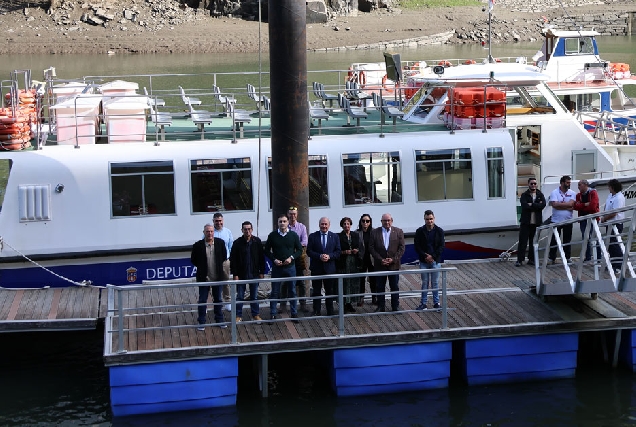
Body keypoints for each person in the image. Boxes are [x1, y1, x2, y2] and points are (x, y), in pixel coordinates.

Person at [264, 214, 303, 321]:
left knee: (292, 291)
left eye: (284, 221)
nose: (282, 223)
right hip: (277, 268)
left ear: (288, 223)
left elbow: (300, 250)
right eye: (280, 221)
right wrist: (274, 259)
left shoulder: (293, 235)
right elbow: (266, 250)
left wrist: (291, 257)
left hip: (290, 267)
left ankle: (294, 313)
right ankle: (272, 313)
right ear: (278, 223)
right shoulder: (272, 236)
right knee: (275, 291)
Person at [191, 223, 228, 331]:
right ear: (204, 232)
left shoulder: (220, 243)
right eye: (207, 231)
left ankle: (219, 320)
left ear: (214, 232)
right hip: (204, 278)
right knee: (202, 300)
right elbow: (193, 260)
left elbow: (224, 256)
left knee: (218, 299)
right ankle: (201, 321)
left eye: (211, 231)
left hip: (217, 277)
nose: (210, 233)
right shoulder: (197, 245)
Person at [368, 213, 405, 312]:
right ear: (381, 221)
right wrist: (381, 259)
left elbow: (401, 248)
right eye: (385, 221)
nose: (387, 222)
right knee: (380, 286)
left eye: (388, 220)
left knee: (394, 286)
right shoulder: (374, 232)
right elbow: (371, 248)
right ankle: (381, 306)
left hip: (394, 265)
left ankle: (395, 306)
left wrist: (393, 259)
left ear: (392, 221)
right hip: (380, 265)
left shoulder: (398, 231)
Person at [229, 221, 265, 323]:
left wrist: (262, 271)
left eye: (249, 229)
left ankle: (255, 314)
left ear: (252, 230)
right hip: (241, 274)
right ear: (242, 230)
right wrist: (235, 274)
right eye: (245, 229)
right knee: (240, 296)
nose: (247, 231)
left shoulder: (257, 241)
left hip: (254, 273)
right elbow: (233, 260)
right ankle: (238, 315)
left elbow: (261, 258)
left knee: (254, 296)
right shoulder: (237, 243)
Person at [306, 217, 341, 316]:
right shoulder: (313, 236)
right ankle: (316, 310)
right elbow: (309, 251)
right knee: (316, 291)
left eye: (326, 224)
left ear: (329, 225)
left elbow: (338, 252)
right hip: (317, 268)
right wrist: (319, 256)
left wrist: (329, 256)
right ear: (319, 225)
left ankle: (330, 310)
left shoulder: (334, 236)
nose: (324, 226)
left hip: (329, 268)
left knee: (330, 291)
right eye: (322, 224)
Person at [414, 210, 445, 310]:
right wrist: (425, 256)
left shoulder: (439, 231)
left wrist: (433, 256)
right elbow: (417, 246)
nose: (429, 221)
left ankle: (436, 303)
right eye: (427, 219)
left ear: (434, 219)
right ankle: (423, 303)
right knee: (425, 283)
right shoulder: (419, 231)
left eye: (431, 219)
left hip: (435, 261)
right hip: (424, 261)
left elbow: (441, 246)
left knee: (435, 283)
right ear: (424, 219)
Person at [517, 177, 547, 266]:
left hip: (536, 222)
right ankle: (520, 260)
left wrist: (532, 205)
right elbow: (525, 206)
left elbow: (543, 205)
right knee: (523, 242)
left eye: (535, 183)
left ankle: (531, 259)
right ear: (528, 184)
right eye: (531, 183)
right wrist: (537, 205)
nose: (533, 185)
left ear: (536, 185)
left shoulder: (540, 194)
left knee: (533, 242)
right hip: (526, 222)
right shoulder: (524, 195)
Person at [286, 206, 309, 313]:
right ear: (288, 214)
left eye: (294, 213)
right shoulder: (284, 227)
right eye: (291, 213)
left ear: (297, 214)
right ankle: (283, 304)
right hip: (287, 258)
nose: (292, 216)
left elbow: (305, 242)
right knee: (285, 282)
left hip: (298, 258)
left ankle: (303, 304)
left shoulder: (302, 227)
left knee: (301, 282)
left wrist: (293, 246)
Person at [548, 175, 576, 264]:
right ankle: (551, 258)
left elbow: (572, 204)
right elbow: (554, 205)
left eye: (569, 182)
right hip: (556, 220)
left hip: (568, 220)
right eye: (567, 182)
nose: (569, 184)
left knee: (567, 240)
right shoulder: (554, 192)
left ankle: (567, 258)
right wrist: (567, 205)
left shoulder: (572, 193)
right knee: (554, 240)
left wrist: (560, 205)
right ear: (562, 183)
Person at [600, 179, 626, 273]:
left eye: (609, 186)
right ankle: (613, 263)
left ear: (613, 187)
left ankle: (618, 266)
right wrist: (604, 216)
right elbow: (607, 206)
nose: (608, 188)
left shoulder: (619, 197)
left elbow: (615, 212)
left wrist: (604, 218)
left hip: (616, 223)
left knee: (615, 244)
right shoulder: (610, 195)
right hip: (609, 223)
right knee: (610, 244)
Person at [337, 216, 360, 313]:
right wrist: (344, 252)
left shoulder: (355, 235)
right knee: (344, 283)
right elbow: (337, 250)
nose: (346, 225)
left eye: (348, 223)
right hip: (344, 262)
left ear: (350, 225)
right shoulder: (339, 236)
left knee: (352, 282)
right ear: (342, 226)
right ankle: (343, 304)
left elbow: (359, 246)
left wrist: (356, 250)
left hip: (353, 262)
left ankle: (350, 303)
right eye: (344, 224)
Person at [573, 179, 600, 262]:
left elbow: (593, 206)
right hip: (583, 219)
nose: (578, 187)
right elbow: (575, 207)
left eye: (579, 185)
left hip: (593, 219)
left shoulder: (593, 193)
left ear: (585, 185)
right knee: (585, 238)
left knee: (595, 238)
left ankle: (598, 257)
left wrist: (582, 206)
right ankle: (588, 257)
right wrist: (585, 204)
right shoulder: (578, 195)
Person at [212, 212, 233, 311]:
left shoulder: (228, 232)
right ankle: (217, 301)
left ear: (223, 221)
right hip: (212, 261)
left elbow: (230, 247)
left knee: (226, 281)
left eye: (220, 221)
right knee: (213, 282)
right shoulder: (210, 232)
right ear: (213, 221)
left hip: (225, 261)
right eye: (216, 221)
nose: (218, 223)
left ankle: (228, 301)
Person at [356, 214, 375, 306]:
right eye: (363, 221)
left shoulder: (374, 232)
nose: (365, 223)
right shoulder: (357, 233)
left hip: (372, 259)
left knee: (373, 279)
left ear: (370, 222)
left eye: (367, 221)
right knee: (361, 280)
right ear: (360, 222)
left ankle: (374, 297)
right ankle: (361, 298)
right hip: (361, 259)